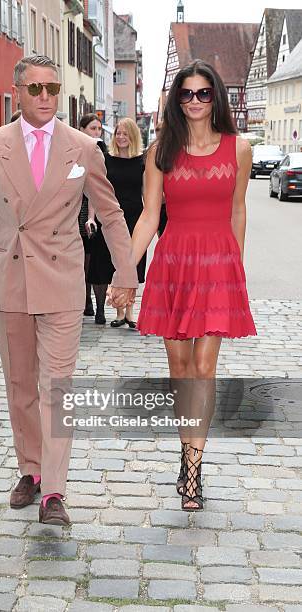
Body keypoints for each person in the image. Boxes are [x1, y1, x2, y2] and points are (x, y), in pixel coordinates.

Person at [0, 54, 138, 526]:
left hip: (61, 281)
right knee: (20, 389)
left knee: (57, 389)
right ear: (17, 93)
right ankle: (30, 471)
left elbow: (112, 214)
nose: (46, 97)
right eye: (36, 89)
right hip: (10, 281)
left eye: (53, 89)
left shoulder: (83, 147)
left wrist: (126, 273)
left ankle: (54, 491)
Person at [132, 59, 257, 511]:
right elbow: (149, 216)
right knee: (181, 371)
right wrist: (126, 270)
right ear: (175, 101)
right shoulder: (160, 152)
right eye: (186, 94)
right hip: (175, 267)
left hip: (217, 268)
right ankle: (187, 451)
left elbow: (238, 210)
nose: (195, 101)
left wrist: (234, 266)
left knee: (204, 367)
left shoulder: (238, 148)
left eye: (204, 93)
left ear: (217, 97)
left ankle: (192, 469)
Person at [88, 118, 146, 327]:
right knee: (110, 262)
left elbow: (146, 194)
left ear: (133, 136)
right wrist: (91, 218)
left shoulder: (142, 162)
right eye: (118, 133)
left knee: (131, 263)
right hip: (110, 217)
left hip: (134, 217)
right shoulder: (106, 160)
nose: (121, 137)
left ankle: (129, 311)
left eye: (125, 133)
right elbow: (97, 192)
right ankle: (119, 312)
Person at [77, 113, 106, 316]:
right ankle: (84, 300)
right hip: (74, 210)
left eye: (98, 129)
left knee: (91, 260)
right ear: (82, 130)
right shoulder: (72, 150)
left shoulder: (102, 151)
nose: (96, 132)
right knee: (78, 262)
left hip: (92, 212)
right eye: (92, 128)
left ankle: (92, 303)